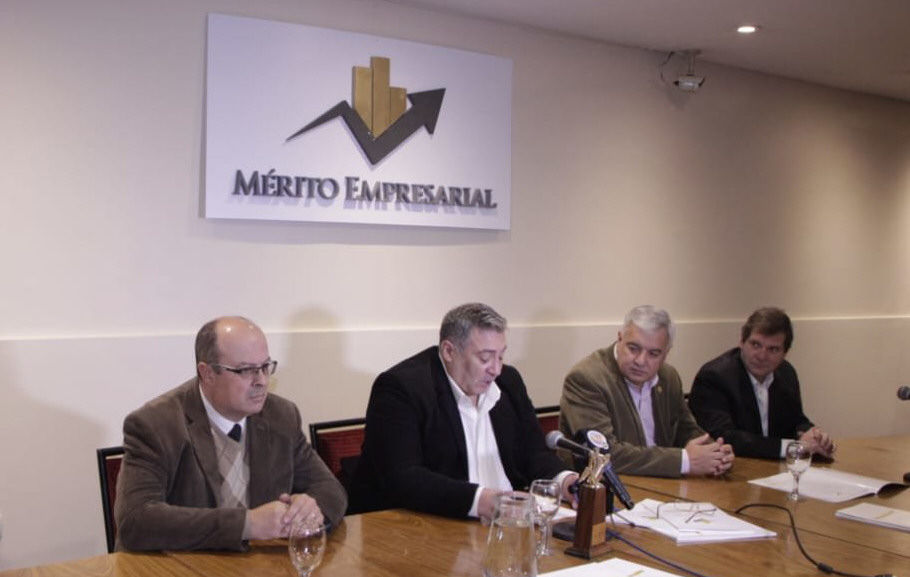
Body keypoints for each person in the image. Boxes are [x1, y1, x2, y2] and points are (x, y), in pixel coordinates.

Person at [115, 316, 347, 551]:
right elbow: (135, 520)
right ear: (207, 373)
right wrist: (249, 524)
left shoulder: (281, 416)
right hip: (180, 563)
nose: (261, 381)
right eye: (246, 370)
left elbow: (331, 490)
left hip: (257, 563)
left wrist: (308, 510)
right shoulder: (155, 424)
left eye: (265, 367)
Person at [348, 303, 577, 520]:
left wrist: (566, 481)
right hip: (429, 524)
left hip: (510, 522)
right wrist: (480, 501)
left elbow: (534, 452)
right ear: (449, 351)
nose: (496, 369)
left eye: (500, 356)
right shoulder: (402, 388)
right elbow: (403, 477)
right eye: (485, 358)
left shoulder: (509, 381)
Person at [560, 305, 734, 478]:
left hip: (661, 483)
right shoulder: (587, 378)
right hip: (605, 485)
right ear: (619, 339)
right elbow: (602, 455)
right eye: (633, 348)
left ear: (666, 353)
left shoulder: (668, 377)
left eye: (653, 353)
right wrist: (684, 461)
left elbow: (686, 429)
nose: (640, 361)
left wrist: (715, 453)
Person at [688, 307, 835, 460]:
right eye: (755, 345)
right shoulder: (714, 376)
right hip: (735, 467)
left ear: (785, 353)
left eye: (773, 349)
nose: (762, 356)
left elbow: (796, 420)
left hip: (776, 468)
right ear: (741, 342)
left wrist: (813, 435)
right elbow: (725, 437)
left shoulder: (786, 373)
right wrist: (792, 447)